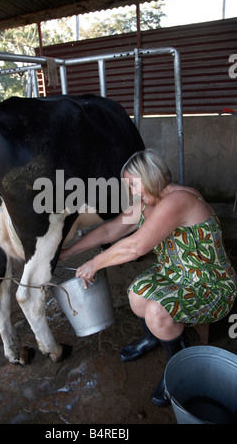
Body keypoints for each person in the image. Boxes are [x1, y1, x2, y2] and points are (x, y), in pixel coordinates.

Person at [59, 149, 237, 407]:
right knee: (136, 295)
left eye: (134, 184)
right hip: (175, 274)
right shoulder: (146, 204)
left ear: (151, 175)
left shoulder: (179, 200)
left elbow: (136, 247)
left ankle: (177, 367)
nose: (132, 192)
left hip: (209, 284)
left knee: (156, 310)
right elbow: (110, 229)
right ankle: (154, 337)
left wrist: (95, 263)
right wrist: (70, 252)